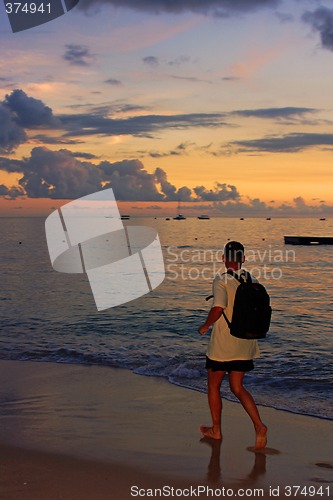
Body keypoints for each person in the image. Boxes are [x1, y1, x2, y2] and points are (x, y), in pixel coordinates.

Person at [198, 241, 267, 449]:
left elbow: (218, 307)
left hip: (223, 345)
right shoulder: (252, 279)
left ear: (223, 258)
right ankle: (259, 426)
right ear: (243, 259)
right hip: (245, 343)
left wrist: (205, 325)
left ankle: (216, 430)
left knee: (213, 385)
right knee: (238, 387)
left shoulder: (221, 279)